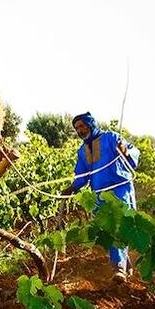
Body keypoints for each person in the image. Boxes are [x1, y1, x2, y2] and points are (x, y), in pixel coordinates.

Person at [61, 112, 140, 281]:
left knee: (119, 227)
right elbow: (82, 176)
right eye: (77, 128)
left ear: (91, 124)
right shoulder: (82, 151)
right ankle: (124, 264)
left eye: (82, 126)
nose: (80, 130)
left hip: (120, 191)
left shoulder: (111, 138)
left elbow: (134, 152)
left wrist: (126, 151)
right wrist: (72, 188)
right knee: (108, 230)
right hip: (100, 196)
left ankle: (119, 268)